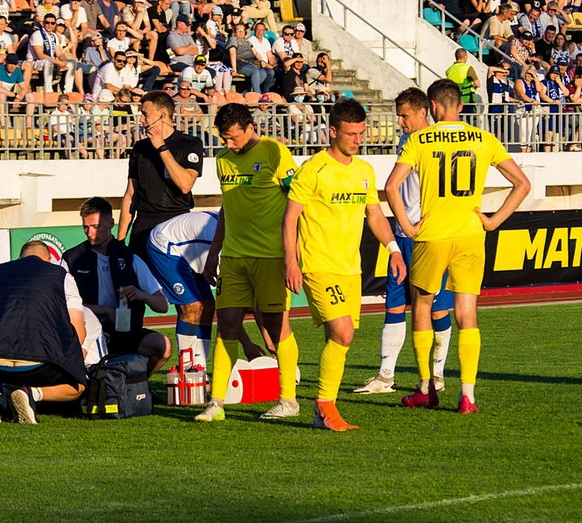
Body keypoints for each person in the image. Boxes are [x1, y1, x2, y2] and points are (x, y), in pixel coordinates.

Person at [384, 79, 530, 414]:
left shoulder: (418, 139)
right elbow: (522, 183)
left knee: (421, 307)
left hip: (432, 234)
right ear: (460, 106)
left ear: (432, 107)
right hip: (470, 234)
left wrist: (407, 226)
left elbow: (392, 186)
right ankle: (467, 395)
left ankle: (426, 388)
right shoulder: (484, 139)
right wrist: (493, 221)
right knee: (467, 313)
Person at [283, 99, 407, 431]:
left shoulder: (364, 171)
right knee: (343, 332)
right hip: (318, 265)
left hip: (350, 268)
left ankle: (321, 409)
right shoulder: (313, 169)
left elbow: (375, 214)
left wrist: (393, 248)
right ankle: (325, 406)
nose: (357, 140)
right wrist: (291, 263)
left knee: (338, 340)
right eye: (351, 134)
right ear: (333, 131)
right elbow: (290, 217)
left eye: (361, 133)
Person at [194, 103, 302, 423]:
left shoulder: (274, 152)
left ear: (249, 127)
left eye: (233, 137)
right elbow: (227, 207)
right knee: (226, 324)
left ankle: (289, 399)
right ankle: (216, 402)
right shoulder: (223, 161)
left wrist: (294, 256)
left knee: (275, 327)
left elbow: (296, 203)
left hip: (271, 257)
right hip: (234, 258)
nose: (229, 144)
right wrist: (215, 251)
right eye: (224, 138)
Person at [355, 88, 454, 395]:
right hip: (403, 234)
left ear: (424, 111)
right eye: (398, 115)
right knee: (394, 302)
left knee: (437, 308)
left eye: (404, 115)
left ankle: (437, 375)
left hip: (430, 236)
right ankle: (386, 376)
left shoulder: (437, 141)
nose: (399, 121)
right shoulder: (405, 141)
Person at [0, 241, 89, 424]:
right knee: (78, 385)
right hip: (40, 364)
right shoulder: (62, 276)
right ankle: (31, 393)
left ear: (18, 259)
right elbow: (79, 334)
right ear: (49, 260)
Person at [65, 197, 172, 376]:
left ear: (111, 223)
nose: (90, 233)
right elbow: (62, 305)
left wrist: (141, 295)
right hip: (88, 331)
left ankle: (136, 386)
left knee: (163, 346)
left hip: (124, 330)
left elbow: (162, 305)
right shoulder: (72, 258)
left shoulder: (131, 259)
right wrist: (106, 310)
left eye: (96, 227)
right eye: (86, 227)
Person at [117, 90, 204, 263]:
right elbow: (130, 194)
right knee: (138, 285)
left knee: (178, 284)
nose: (141, 119)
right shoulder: (140, 147)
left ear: (162, 114)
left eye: (145, 114)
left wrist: (161, 147)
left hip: (177, 222)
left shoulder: (190, 143)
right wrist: (120, 240)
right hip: (144, 223)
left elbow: (186, 184)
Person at [147, 210, 218, 367]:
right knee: (192, 308)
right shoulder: (227, 248)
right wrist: (247, 345)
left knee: (208, 307)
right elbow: (229, 312)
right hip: (165, 244)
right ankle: (186, 371)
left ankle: (200, 369)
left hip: (191, 246)